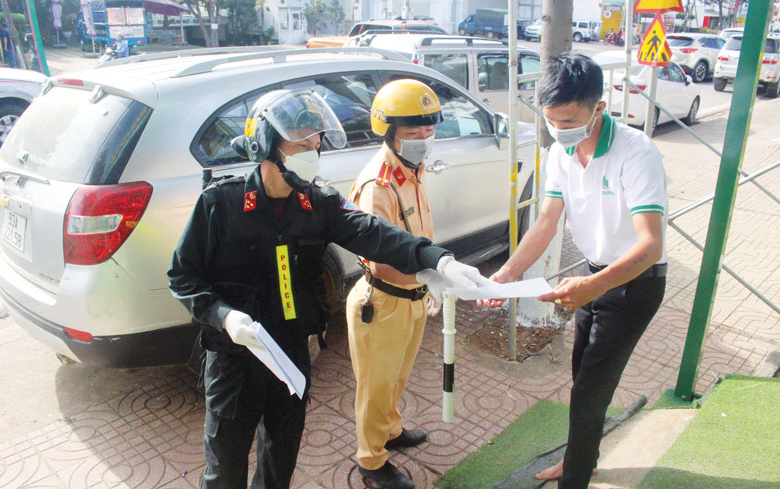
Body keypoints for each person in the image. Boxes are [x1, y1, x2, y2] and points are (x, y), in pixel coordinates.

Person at [168, 88, 488, 489]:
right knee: (225, 469)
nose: (312, 152)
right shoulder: (222, 205)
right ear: (268, 145)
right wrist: (224, 316)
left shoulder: (316, 204)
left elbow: (372, 232)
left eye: (316, 143)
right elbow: (182, 276)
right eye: (301, 143)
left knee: (279, 460)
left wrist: (436, 260)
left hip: (291, 354)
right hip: (235, 360)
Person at [479, 53, 667, 489]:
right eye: (551, 121)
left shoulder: (636, 153)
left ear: (599, 108)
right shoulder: (561, 154)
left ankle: (575, 477)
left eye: (568, 121)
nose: (559, 131)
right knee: (581, 375)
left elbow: (650, 244)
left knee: (589, 389)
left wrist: (592, 286)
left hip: (634, 284)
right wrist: (504, 276)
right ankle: (582, 455)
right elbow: (546, 222)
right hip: (592, 275)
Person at [345, 79, 457, 489]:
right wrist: (431, 275)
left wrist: (427, 284)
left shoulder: (412, 168)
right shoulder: (380, 183)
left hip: (412, 296)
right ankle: (371, 460)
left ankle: (391, 430)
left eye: (429, 132)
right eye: (413, 134)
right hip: (384, 299)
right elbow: (378, 258)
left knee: (398, 376)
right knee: (376, 385)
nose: (424, 141)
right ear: (389, 132)